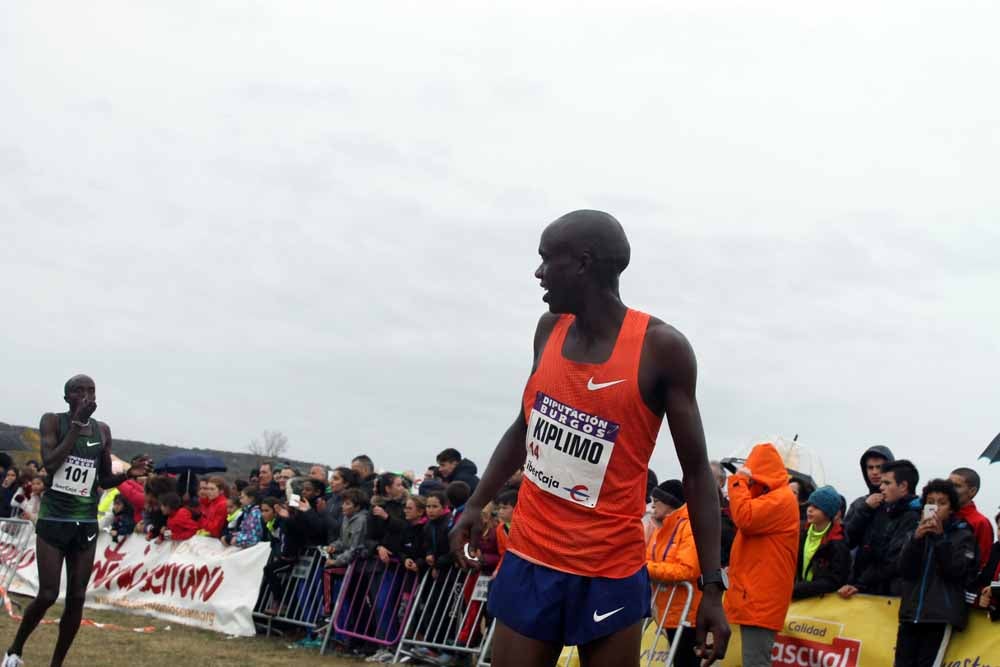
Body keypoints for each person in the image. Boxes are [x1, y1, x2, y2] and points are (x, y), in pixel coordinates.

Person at [450, 210, 730, 667]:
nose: (537, 273)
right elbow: (524, 426)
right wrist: (476, 504)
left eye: (546, 260)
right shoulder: (549, 330)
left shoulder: (661, 348)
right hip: (531, 557)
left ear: (582, 263)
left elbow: (697, 474)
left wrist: (712, 589)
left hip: (609, 570)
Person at [4, 374, 151, 667]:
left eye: (91, 391)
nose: (86, 396)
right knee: (47, 594)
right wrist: (76, 425)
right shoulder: (52, 421)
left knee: (76, 597)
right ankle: (15, 650)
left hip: (84, 522)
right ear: (67, 397)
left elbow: (105, 477)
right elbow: (52, 462)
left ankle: (56, 664)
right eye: (79, 391)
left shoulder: (103, 430)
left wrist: (128, 475)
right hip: (54, 518)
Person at [724, 442, 800, 667]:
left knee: (755, 662)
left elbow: (744, 518)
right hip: (754, 597)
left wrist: (738, 482)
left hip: (760, 599)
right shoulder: (772, 498)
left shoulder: (782, 500)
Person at [895, 479, 978, 667]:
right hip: (911, 614)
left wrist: (940, 539)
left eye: (942, 503)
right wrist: (916, 539)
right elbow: (904, 570)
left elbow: (956, 572)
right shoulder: (915, 532)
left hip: (938, 618)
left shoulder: (963, 535)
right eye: (930, 502)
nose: (935, 507)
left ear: (951, 509)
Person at [839, 459, 921, 598]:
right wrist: (865, 510)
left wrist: (859, 585)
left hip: (889, 597)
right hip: (867, 590)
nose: (881, 487)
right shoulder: (880, 508)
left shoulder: (912, 517)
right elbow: (848, 540)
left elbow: (892, 562)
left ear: (903, 486)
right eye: (870, 467)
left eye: (887, 483)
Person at [645, 480, 701, 667]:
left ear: (670, 503)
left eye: (656, 501)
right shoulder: (661, 529)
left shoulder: (689, 527)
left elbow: (688, 569)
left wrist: (646, 569)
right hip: (666, 610)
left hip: (687, 614)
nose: (652, 505)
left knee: (686, 661)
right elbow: (646, 559)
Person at [792, 485, 850, 599]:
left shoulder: (837, 542)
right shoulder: (801, 530)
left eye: (816, 507)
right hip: (797, 596)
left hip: (819, 601)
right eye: (810, 504)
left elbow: (834, 581)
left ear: (829, 512)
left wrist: (799, 589)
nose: (809, 509)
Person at [843, 445, 894, 546]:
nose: (874, 472)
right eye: (870, 468)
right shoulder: (858, 504)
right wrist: (865, 509)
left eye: (879, 467)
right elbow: (846, 542)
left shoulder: (898, 503)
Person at [948, 467, 994, 570]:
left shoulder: (980, 522)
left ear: (972, 491)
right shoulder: (942, 516)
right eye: (948, 484)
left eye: (956, 486)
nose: (950, 489)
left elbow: (983, 561)